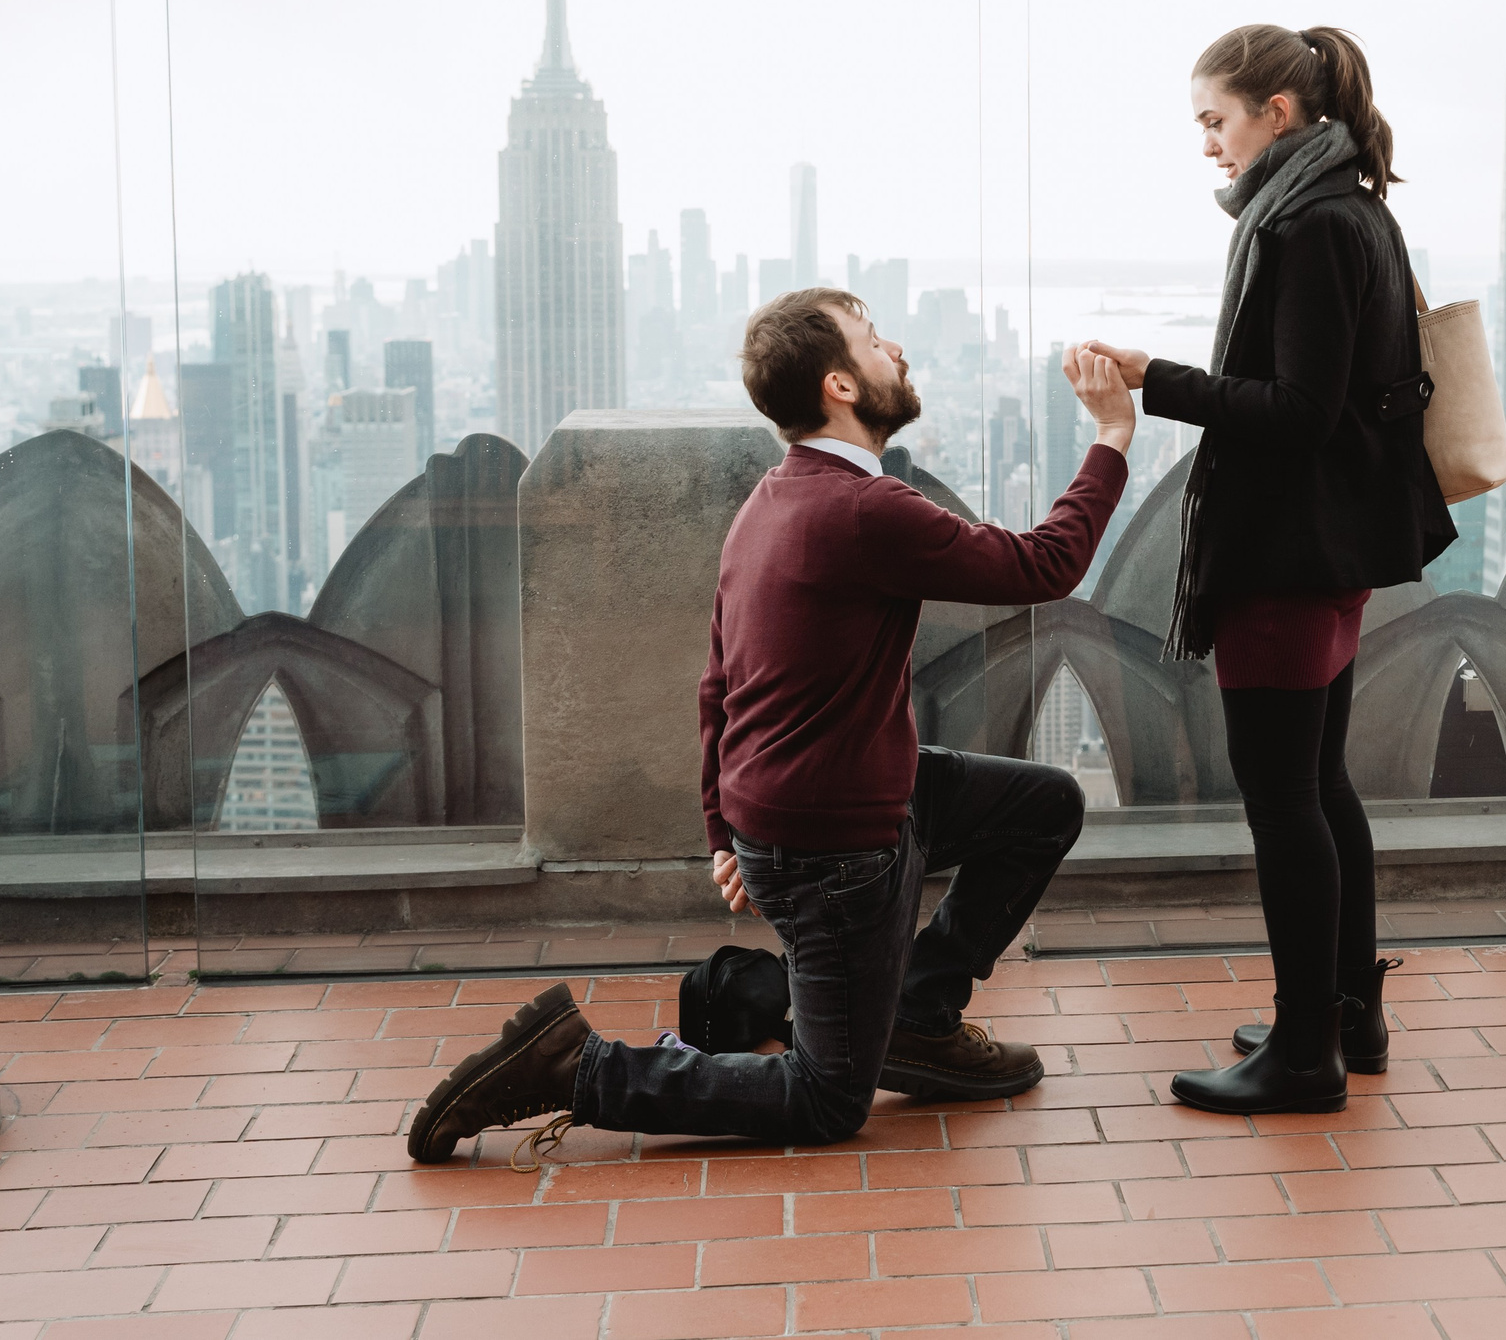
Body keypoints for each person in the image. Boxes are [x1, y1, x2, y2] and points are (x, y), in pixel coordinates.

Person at [408, 290, 1136, 1160]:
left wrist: (727, 833)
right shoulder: (864, 509)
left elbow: (717, 682)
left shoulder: (774, 496)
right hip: (838, 849)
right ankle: (576, 1067)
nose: (895, 349)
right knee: (830, 1097)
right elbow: (1043, 564)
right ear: (841, 384)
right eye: (874, 342)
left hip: (850, 801)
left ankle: (918, 1014)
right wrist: (1111, 437)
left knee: (1044, 804)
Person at [1083, 25, 1453, 1115]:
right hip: (1333, 540)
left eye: (1215, 120)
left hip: (1289, 548)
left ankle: (1302, 1055)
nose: (1207, 145)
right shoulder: (1357, 208)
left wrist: (1158, 381)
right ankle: (1343, 1012)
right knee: (1320, 784)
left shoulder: (1306, 226)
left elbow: (1296, 413)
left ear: (1274, 115)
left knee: (1283, 797)